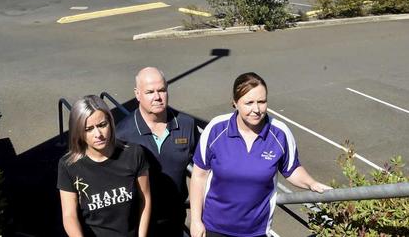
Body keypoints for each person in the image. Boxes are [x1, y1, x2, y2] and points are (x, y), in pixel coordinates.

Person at [189, 72, 331, 237]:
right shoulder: (216, 129)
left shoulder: (280, 133)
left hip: (256, 231)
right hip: (214, 228)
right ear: (235, 103)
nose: (256, 109)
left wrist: (312, 183)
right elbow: (199, 176)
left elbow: (291, 169)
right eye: (249, 103)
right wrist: (195, 221)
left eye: (261, 102)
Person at [117, 67, 199, 236]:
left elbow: (202, 171)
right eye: (150, 92)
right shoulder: (123, 134)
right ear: (137, 94)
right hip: (137, 224)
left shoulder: (186, 124)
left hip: (175, 220)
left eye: (162, 90)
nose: (157, 97)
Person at [57, 95, 151, 237]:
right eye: (88, 129)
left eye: (102, 125)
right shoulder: (69, 165)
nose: (98, 134)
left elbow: (145, 200)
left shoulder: (133, 154)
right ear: (78, 131)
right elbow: (69, 215)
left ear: (110, 123)